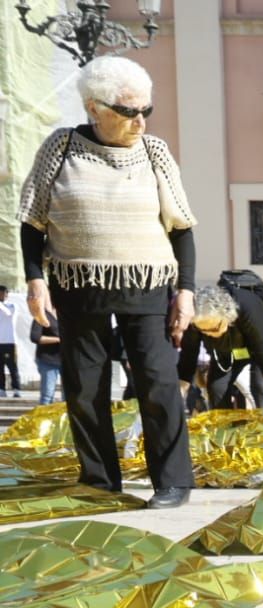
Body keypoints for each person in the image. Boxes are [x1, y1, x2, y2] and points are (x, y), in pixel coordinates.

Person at [17, 56, 197, 507]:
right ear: (94, 108)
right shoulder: (60, 147)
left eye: (146, 112)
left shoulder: (154, 152)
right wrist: (35, 280)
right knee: (84, 386)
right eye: (128, 111)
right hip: (76, 282)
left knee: (157, 381)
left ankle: (173, 482)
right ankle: (99, 481)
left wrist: (187, 291)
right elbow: (32, 222)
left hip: (146, 282)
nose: (140, 122)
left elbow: (182, 227)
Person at [178, 283, 263, 411]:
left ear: (227, 316)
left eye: (214, 328)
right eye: (204, 331)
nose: (210, 334)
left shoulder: (248, 309)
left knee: (260, 385)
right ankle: (226, 428)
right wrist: (178, 400)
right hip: (229, 350)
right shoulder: (195, 321)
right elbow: (187, 360)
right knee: (216, 388)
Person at [31, 306, 63, 404]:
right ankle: (43, 419)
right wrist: (59, 339)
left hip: (67, 360)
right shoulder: (42, 314)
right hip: (48, 360)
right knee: (47, 395)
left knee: (69, 396)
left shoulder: (68, 313)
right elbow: (35, 337)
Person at [0, 285, 21, 397]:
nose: (2, 295)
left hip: (9, 341)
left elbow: (8, 314)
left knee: (12, 366)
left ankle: (16, 388)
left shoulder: (12, 306)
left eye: (4, 293)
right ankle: (1, 389)